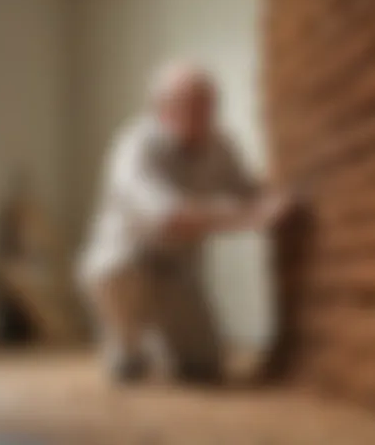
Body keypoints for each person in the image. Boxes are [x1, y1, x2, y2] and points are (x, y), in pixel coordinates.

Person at [78, 62, 289, 384]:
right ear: (160, 109)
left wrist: (279, 199)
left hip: (179, 272)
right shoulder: (135, 146)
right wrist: (250, 217)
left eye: (208, 104)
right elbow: (169, 218)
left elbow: (252, 194)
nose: (202, 113)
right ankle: (127, 346)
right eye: (189, 104)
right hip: (128, 262)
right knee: (113, 271)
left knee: (205, 365)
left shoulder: (222, 147)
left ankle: (164, 343)